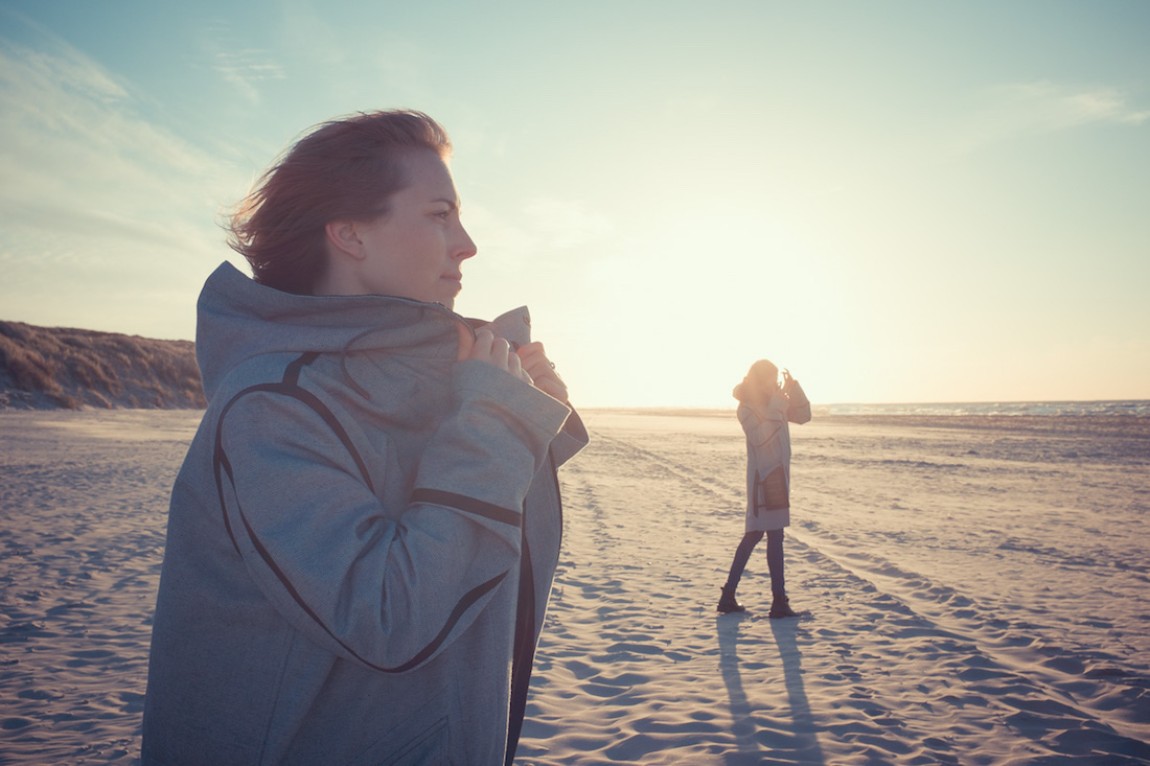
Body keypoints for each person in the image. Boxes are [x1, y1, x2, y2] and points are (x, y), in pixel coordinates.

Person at [141, 110, 588, 765]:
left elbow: (476, 562)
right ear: (349, 233)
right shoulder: (269, 408)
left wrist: (531, 420)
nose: (466, 244)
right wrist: (495, 423)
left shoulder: (429, 372)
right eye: (440, 214)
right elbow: (389, 616)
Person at [717, 359, 810, 618]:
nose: (774, 383)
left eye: (776, 379)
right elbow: (759, 438)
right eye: (769, 379)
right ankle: (777, 602)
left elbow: (804, 416)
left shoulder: (774, 402)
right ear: (759, 380)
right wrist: (776, 406)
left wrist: (794, 389)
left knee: (760, 536)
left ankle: (730, 596)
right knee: (768, 536)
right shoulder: (747, 408)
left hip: (778, 477)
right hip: (763, 481)